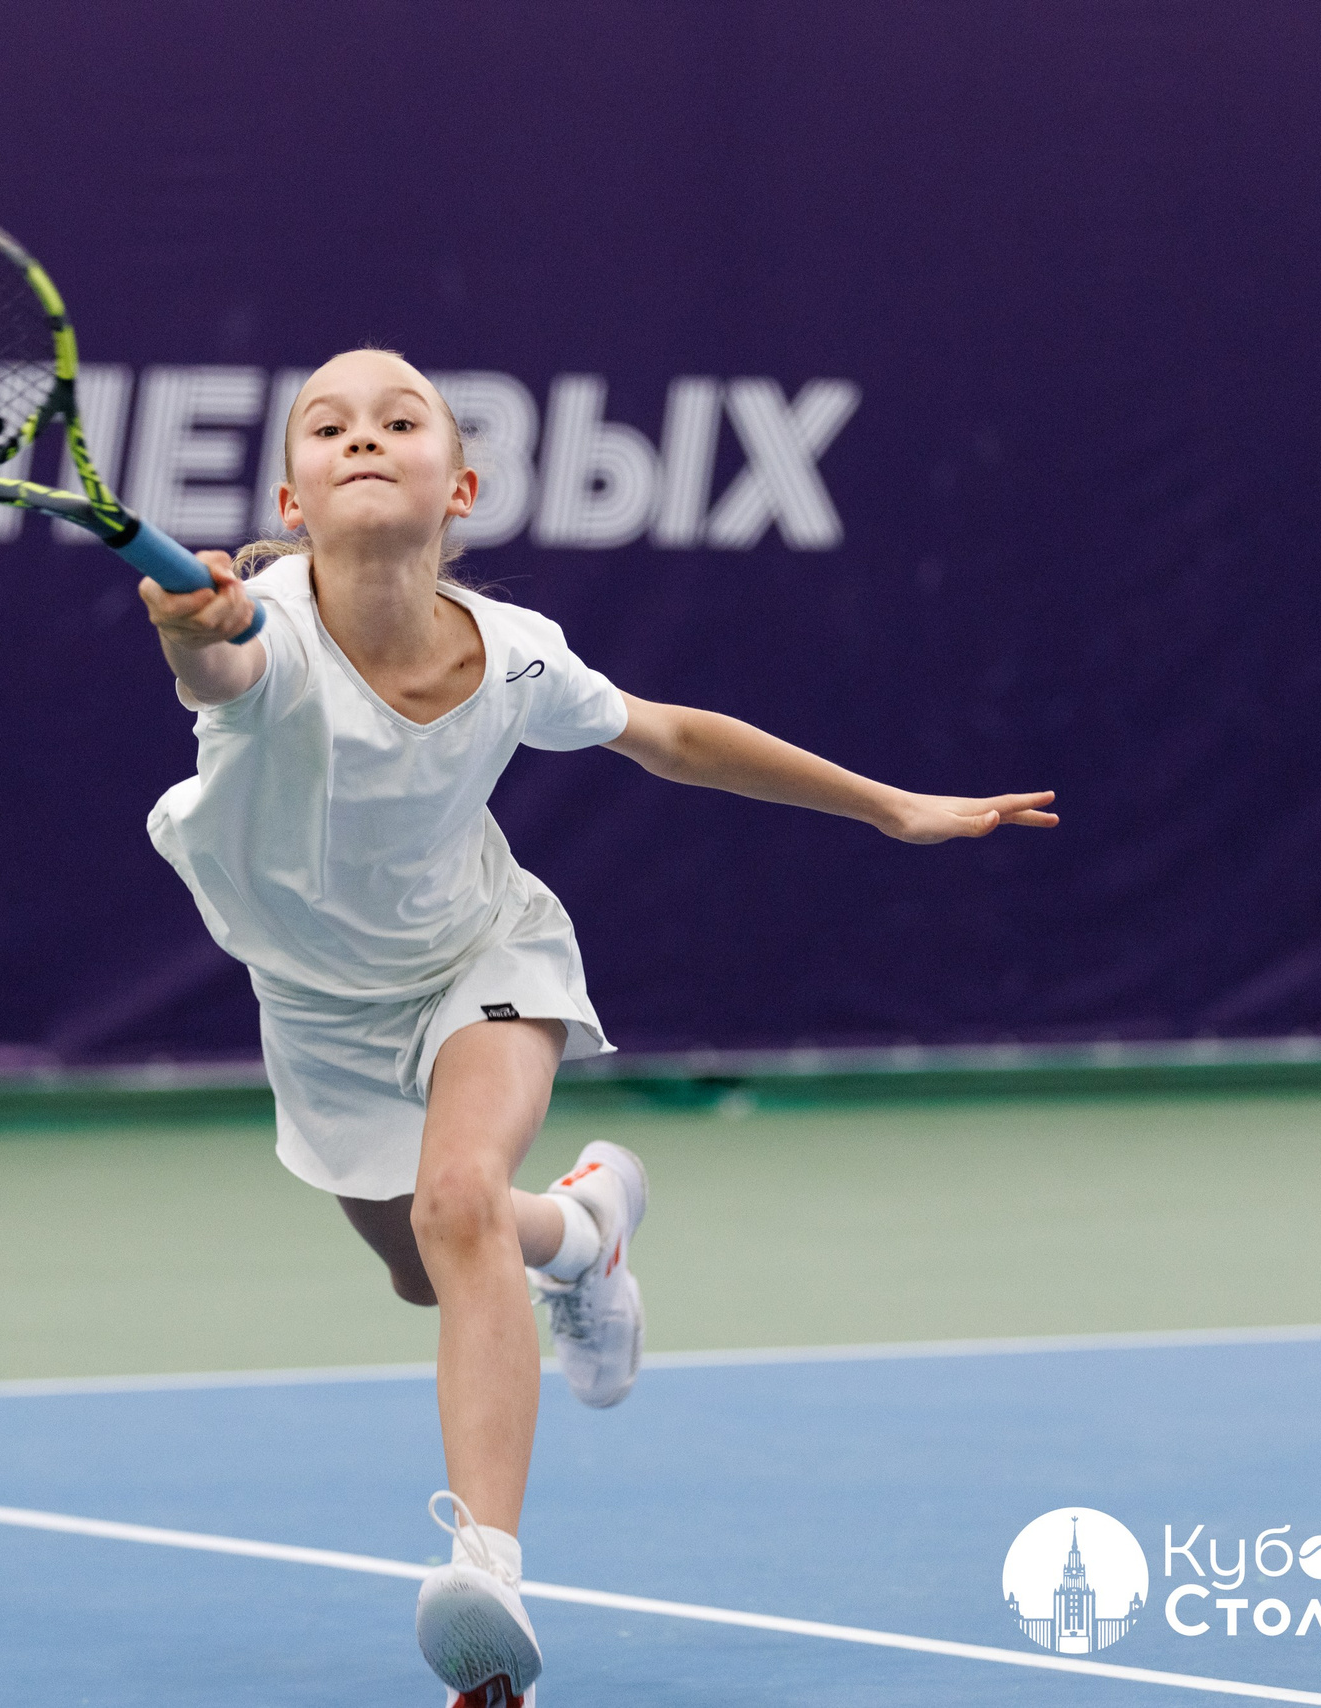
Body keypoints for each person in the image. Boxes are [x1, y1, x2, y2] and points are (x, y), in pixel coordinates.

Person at [138, 348, 1057, 1705]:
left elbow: (675, 738)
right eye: (330, 428)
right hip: (321, 1011)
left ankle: (487, 1579)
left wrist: (893, 806)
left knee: (457, 1209)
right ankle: (583, 1234)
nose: (364, 438)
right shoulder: (260, 629)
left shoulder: (513, 659)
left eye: (400, 421)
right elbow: (220, 672)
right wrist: (185, 629)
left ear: (457, 488)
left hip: (480, 954)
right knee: (432, 1267)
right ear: (295, 493)